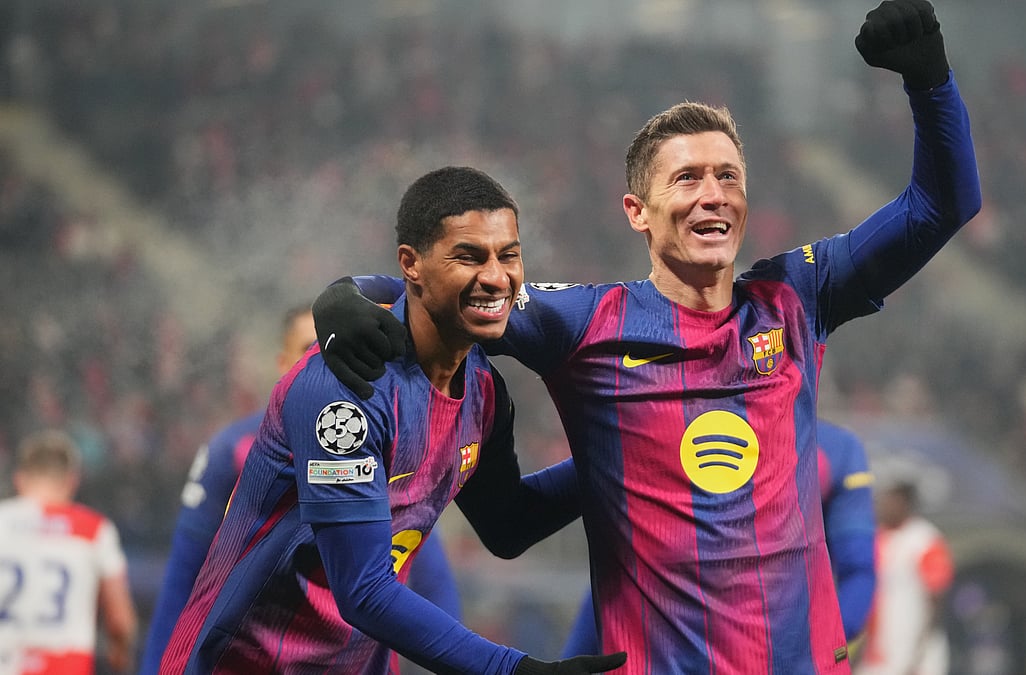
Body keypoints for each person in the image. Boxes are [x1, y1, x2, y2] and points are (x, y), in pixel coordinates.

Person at [313, 1, 980, 671]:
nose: (712, 193)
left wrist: (930, 82)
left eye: (728, 177)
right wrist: (352, 291)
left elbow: (941, 206)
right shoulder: (583, 322)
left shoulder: (797, 296)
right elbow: (456, 287)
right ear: (638, 211)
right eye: (687, 178)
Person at [160, 167, 625, 674]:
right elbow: (362, 591)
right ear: (412, 264)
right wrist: (510, 669)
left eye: (508, 254)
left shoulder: (484, 391)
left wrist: (628, 452)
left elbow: (508, 525)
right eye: (468, 256)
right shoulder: (345, 391)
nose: (496, 277)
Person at [138, 306, 463, 674]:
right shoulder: (232, 450)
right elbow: (185, 577)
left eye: (341, 346)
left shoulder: (390, 441)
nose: (330, 358)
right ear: (284, 363)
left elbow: (429, 575)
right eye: (314, 347)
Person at [558, 418, 877, 657]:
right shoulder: (661, 423)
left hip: (769, 645)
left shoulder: (833, 450)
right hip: (669, 642)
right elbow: (627, 563)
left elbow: (858, 567)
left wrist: (821, 649)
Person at [0, 430, 137, 675]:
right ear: (73, 480)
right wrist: (120, 651)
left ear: (19, 479)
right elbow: (120, 619)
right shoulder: (95, 530)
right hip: (65, 667)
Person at [858, 481, 954, 675]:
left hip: (914, 655)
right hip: (879, 654)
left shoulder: (925, 540)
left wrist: (917, 655)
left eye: (890, 500)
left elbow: (936, 602)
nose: (883, 505)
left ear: (904, 502)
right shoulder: (877, 537)